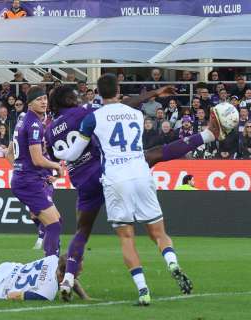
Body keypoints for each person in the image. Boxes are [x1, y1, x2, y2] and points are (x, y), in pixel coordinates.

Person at [52, 75, 230, 305]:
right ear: (118, 90)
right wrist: (154, 93)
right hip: (140, 173)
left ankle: (142, 290)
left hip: (112, 178)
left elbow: (74, 153)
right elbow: (128, 109)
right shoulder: (135, 114)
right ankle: (172, 262)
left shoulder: (89, 118)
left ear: (98, 92)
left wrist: (60, 159)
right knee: (158, 231)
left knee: (121, 237)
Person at [8, 86, 64, 260]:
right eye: (39, 99)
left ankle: (49, 263)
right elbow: (38, 160)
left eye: (45, 99)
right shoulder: (33, 124)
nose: (44, 102)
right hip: (29, 182)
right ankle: (49, 269)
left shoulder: (22, 120)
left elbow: (9, 153)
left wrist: (20, 169)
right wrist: (57, 166)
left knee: (56, 222)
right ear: (30, 103)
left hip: (27, 179)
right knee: (54, 226)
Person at [0, 234, 89, 301]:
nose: (80, 274)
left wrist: (84, 297)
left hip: (9, 267)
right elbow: (12, 296)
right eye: (79, 273)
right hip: (3, 285)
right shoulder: (47, 294)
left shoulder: (54, 259)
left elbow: (68, 275)